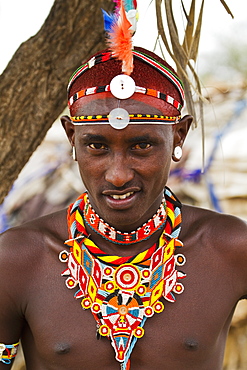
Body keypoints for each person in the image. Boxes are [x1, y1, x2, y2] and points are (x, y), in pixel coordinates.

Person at [0, 3, 246, 369]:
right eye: (96, 146)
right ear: (71, 137)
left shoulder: (229, 248)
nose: (117, 175)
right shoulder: (18, 258)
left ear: (179, 135)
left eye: (142, 146)